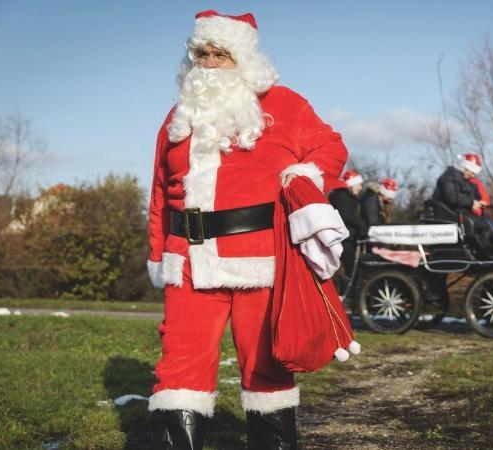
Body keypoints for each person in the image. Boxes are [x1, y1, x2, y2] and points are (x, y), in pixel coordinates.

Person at [145, 10, 347, 449]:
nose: (210, 63)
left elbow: (331, 147)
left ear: (243, 57)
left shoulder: (285, 104)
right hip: (188, 260)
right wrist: (158, 254)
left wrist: (304, 176)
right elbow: (161, 192)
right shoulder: (177, 117)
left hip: (261, 257)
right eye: (202, 53)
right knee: (179, 366)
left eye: (221, 53)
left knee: (266, 366)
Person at [431, 153, 493, 257]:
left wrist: (479, 203)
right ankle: (491, 253)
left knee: (485, 223)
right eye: (472, 172)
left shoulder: (461, 179)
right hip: (448, 215)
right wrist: (472, 203)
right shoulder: (449, 177)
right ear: (465, 167)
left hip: (457, 213)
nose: (473, 176)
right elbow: (451, 197)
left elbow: (468, 196)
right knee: (481, 224)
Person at [328, 170, 367, 280]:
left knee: (349, 267)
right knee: (350, 267)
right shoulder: (342, 196)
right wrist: (363, 225)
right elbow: (346, 215)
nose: (360, 188)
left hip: (346, 237)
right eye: (359, 184)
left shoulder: (347, 196)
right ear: (352, 183)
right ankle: (344, 294)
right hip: (343, 238)